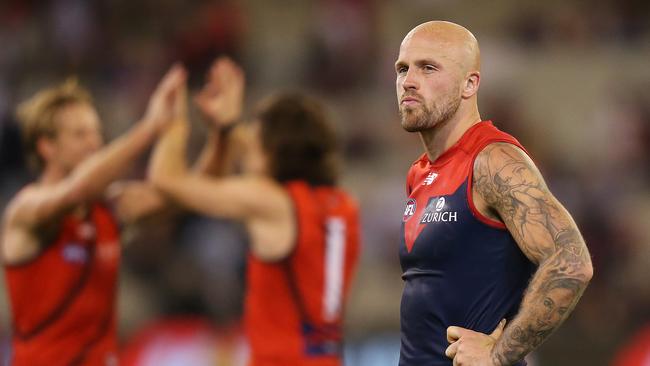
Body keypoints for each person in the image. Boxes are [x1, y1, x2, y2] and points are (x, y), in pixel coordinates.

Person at [394, 21, 593, 365]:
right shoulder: (420, 172)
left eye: (428, 68)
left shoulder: (493, 160)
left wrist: (500, 354)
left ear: (469, 84)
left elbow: (572, 262)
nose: (408, 81)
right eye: (402, 68)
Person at [148, 58, 360, 366]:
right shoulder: (343, 205)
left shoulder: (272, 201)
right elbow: (253, 151)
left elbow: (166, 181)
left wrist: (173, 123)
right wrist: (228, 126)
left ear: (275, 150)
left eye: (257, 140)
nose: (249, 150)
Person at [1, 65, 186, 365]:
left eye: (96, 132)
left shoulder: (108, 208)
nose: (95, 143)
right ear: (47, 147)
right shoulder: (27, 210)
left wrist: (215, 133)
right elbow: (76, 189)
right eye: (80, 134)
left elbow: (180, 196)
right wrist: (149, 128)